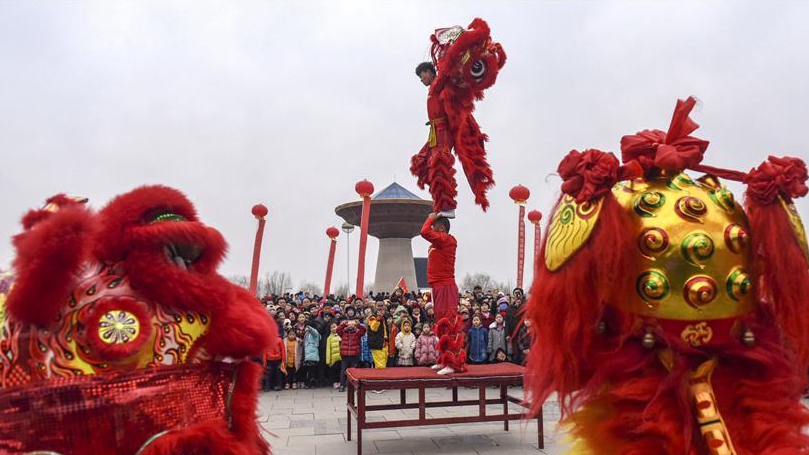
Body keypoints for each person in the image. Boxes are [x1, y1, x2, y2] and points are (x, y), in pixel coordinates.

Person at [411, 62, 456, 218]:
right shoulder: (432, 88)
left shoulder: (438, 83)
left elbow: (447, 74)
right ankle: (439, 203)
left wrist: (445, 55)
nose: (421, 80)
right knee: (423, 163)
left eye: (421, 76)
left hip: (443, 130)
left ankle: (447, 206)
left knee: (440, 164)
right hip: (434, 131)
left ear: (428, 72)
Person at [421, 211, 464, 375]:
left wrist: (431, 216)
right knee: (440, 326)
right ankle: (444, 359)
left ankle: (453, 363)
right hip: (437, 287)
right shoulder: (437, 243)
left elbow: (424, 231)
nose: (431, 227)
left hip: (446, 286)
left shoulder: (447, 239)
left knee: (449, 325)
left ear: (441, 227)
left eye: (434, 225)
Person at [336, 319, 366, 392]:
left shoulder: (357, 332)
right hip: (345, 355)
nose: (350, 326)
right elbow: (337, 330)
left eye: (352, 324)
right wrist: (343, 324)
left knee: (354, 371)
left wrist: (359, 325)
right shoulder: (343, 332)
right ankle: (342, 385)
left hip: (354, 354)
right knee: (343, 371)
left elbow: (363, 331)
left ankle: (354, 385)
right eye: (349, 324)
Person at [325, 322, 342, 389]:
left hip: (341, 357)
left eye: (334, 326)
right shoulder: (329, 338)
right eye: (331, 327)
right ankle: (335, 382)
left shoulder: (340, 335)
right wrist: (328, 360)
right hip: (333, 358)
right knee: (334, 371)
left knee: (340, 371)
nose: (333, 329)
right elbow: (328, 349)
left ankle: (341, 382)